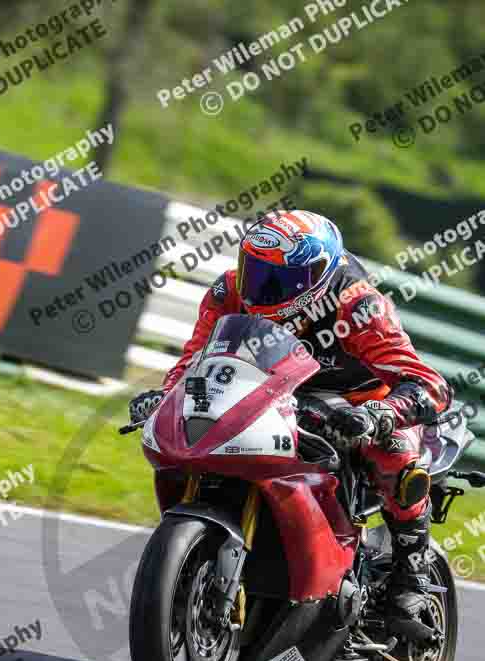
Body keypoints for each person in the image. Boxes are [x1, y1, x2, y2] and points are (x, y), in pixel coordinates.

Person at [129, 210, 452, 624]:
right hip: (273, 387)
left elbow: (429, 384)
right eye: (255, 272)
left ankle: (412, 574)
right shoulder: (227, 290)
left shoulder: (359, 306)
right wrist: (166, 394)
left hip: (359, 398)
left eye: (280, 282)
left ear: (318, 277)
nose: (261, 290)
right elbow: (194, 359)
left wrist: (378, 415)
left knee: (392, 455)